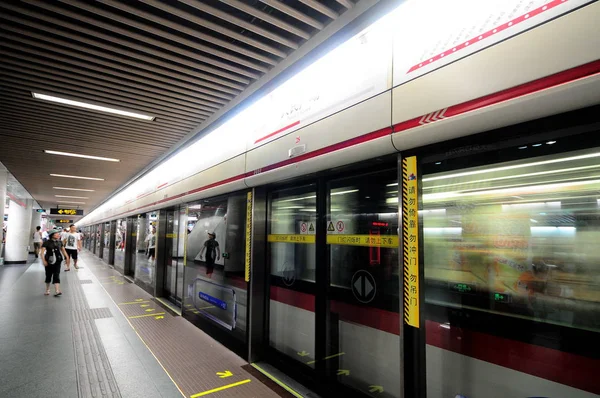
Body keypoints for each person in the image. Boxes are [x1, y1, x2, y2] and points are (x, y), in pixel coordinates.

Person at [41, 229, 67, 296]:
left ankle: (57, 291)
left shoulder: (60, 242)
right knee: (48, 275)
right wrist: (43, 261)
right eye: (56, 234)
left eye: (58, 234)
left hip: (58, 261)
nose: (58, 235)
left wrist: (66, 257)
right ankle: (47, 290)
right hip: (49, 261)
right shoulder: (46, 242)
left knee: (56, 274)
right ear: (52, 235)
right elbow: (42, 253)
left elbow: (63, 250)